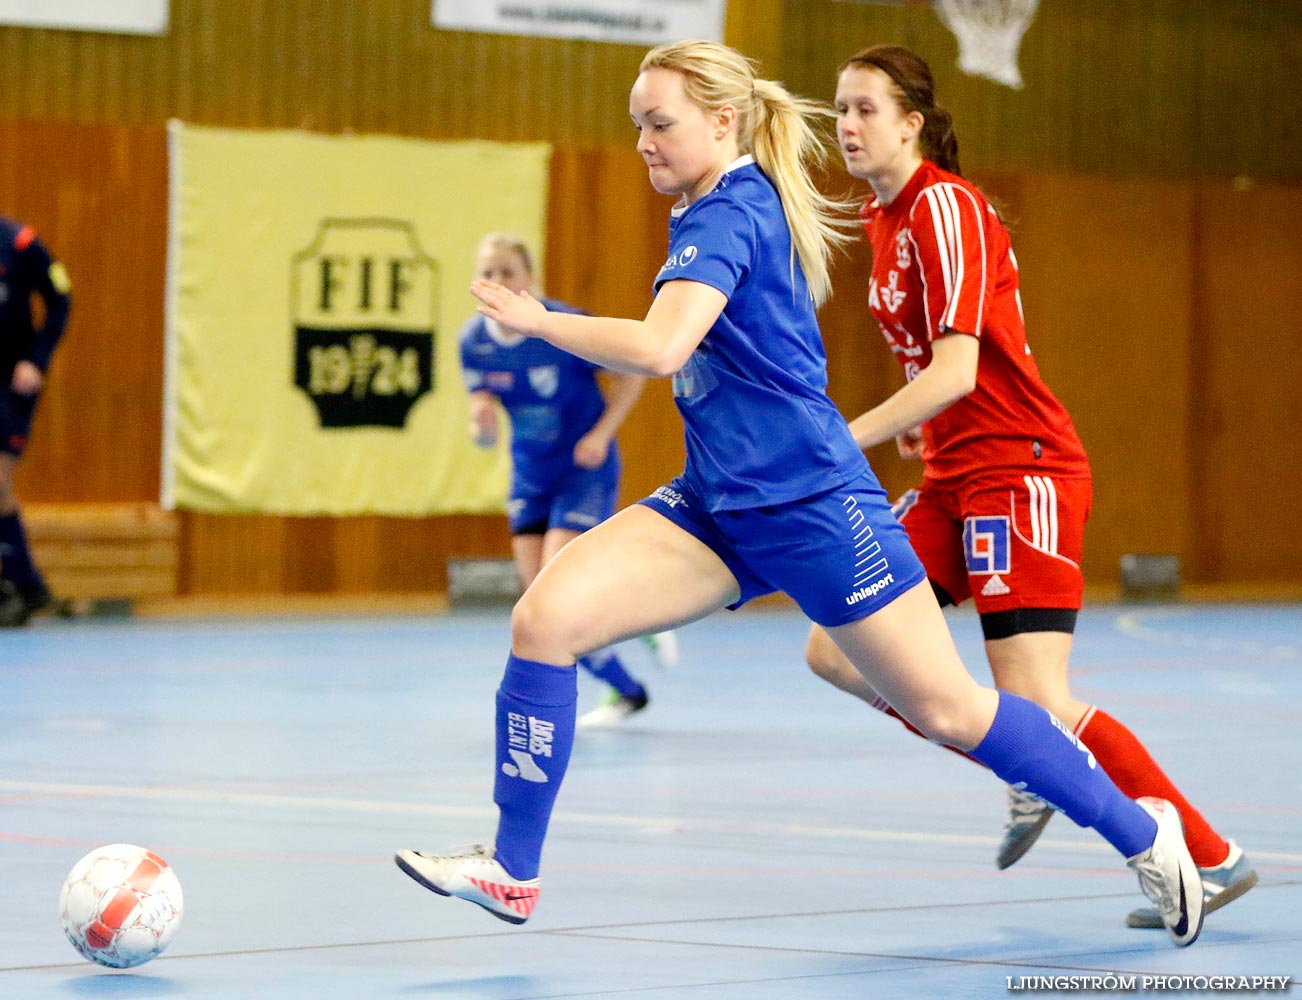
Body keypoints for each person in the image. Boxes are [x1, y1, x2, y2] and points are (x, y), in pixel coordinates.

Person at [396, 39, 1205, 948]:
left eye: (661, 124)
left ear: (723, 120)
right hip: (716, 506)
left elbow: (664, 349)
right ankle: (513, 870)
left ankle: (1145, 834)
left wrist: (543, 322)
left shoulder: (731, 212)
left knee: (950, 710)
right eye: (636, 128)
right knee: (543, 621)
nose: (645, 145)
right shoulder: (704, 205)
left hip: (818, 510)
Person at [805, 43, 1255, 930]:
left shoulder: (946, 207)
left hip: (1021, 470)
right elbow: (933, 368)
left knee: (1040, 697)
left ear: (913, 123)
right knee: (835, 650)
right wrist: (914, 426)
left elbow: (961, 370)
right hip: (951, 477)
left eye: (864, 109)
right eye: (840, 110)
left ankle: (1211, 857)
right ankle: (1024, 765)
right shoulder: (884, 217)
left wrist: (848, 437)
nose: (847, 126)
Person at [459, 233, 678, 727]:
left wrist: (602, 433)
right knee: (540, 604)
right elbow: (482, 419)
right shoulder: (473, 342)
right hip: (530, 477)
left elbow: (634, 373)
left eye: (507, 272)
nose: (497, 281)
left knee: (558, 591)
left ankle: (640, 614)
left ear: (529, 279)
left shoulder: (559, 325)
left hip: (584, 471)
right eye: (488, 272)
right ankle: (629, 692)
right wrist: (481, 427)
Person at [0, 216, 70, 628]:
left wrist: (37, 360)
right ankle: (30, 587)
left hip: (12, 383)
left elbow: (61, 296)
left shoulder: (20, 243)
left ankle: (16, 586)